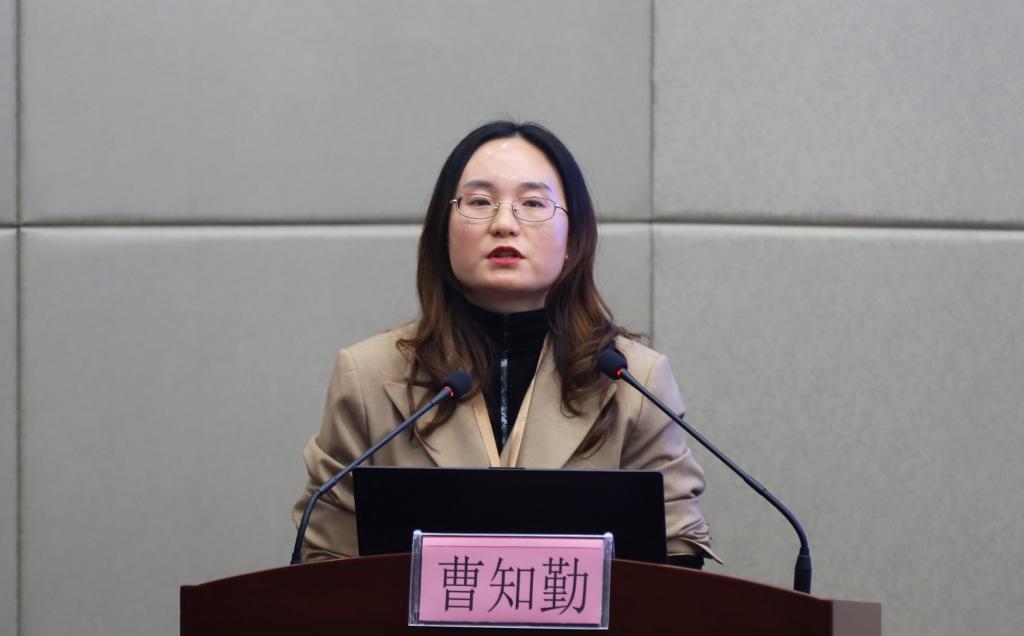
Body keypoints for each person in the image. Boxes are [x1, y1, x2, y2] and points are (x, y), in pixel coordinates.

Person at [292, 121, 719, 567]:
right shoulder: (367, 377)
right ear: (442, 232)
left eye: (532, 203)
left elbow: (675, 554)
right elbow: (326, 559)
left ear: (573, 238)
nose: (503, 224)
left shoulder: (634, 380)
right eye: (479, 202)